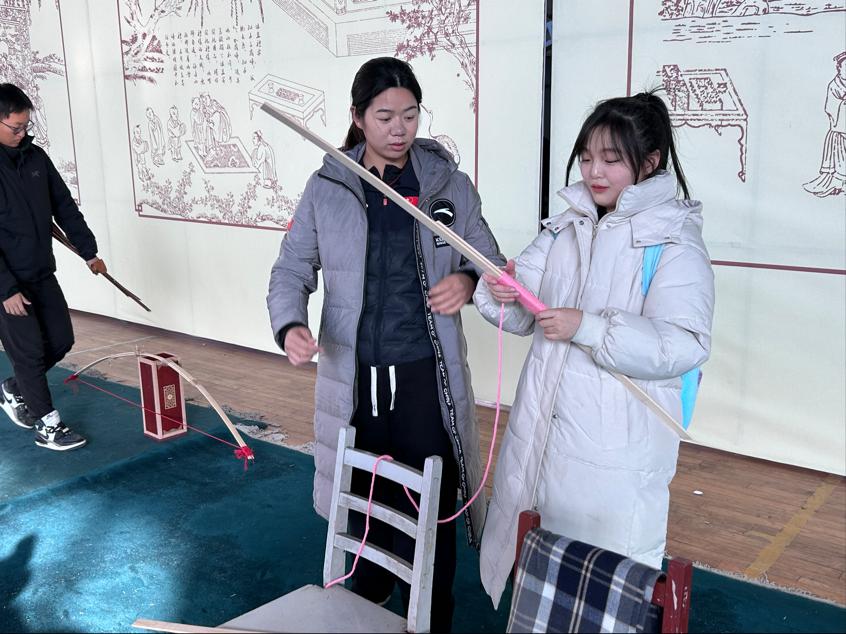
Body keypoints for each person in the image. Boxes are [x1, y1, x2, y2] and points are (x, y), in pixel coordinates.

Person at [267, 57, 504, 631]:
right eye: (384, 116)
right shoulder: (328, 187)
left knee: (432, 509)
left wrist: (467, 281)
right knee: (366, 506)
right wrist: (290, 325)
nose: (399, 129)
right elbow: (291, 269)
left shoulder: (448, 185)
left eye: (410, 115)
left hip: (425, 376)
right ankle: (367, 608)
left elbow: (490, 261)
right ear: (357, 117)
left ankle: (431, 618)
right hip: (356, 379)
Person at [473, 91, 715, 607]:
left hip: (614, 453)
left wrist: (589, 327)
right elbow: (522, 312)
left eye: (610, 159)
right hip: (540, 432)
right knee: (537, 581)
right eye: (586, 157)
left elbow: (685, 344)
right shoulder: (568, 224)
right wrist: (501, 289)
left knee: (598, 593)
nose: (593, 172)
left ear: (649, 162)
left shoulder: (672, 241)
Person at [0, 83, 108, 451]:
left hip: (41, 271)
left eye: (25, 126)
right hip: (8, 284)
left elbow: (64, 206)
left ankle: (15, 388)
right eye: (15, 127)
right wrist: (5, 289)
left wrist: (89, 251)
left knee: (61, 340)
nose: (22, 133)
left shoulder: (36, 159)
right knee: (29, 352)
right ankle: (48, 425)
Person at [803, 51, 846, 197]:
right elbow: (830, 107)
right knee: (840, 159)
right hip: (840, 129)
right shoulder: (834, 85)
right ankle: (838, 183)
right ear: (839, 68)